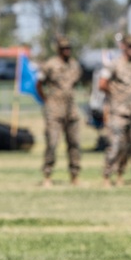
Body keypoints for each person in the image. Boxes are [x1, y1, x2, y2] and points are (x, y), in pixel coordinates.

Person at [98, 35, 131, 186]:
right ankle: (107, 176)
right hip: (118, 111)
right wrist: (115, 95)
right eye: (129, 46)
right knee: (115, 145)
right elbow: (102, 84)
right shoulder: (114, 64)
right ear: (123, 47)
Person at [36, 37, 83, 187]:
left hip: (71, 110)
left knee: (74, 143)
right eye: (64, 48)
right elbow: (39, 84)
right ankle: (47, 174)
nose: (67, 51)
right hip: (54, 110)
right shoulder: (50, 65)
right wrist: (46, 100)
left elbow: (75, 84)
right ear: (58, 50)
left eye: (68, 48)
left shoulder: (75, 65)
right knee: (52, 142)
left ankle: (74, 175)